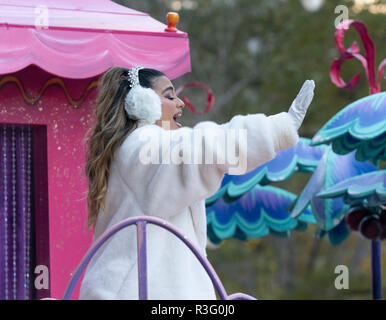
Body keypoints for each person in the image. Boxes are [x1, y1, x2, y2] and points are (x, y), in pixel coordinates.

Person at [79, 66, 315, 300]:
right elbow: (202, 148)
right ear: (141, 103)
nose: (180, 103)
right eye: (169, 96)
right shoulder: (142, 146)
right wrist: (275, 130)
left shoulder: (136, 151)